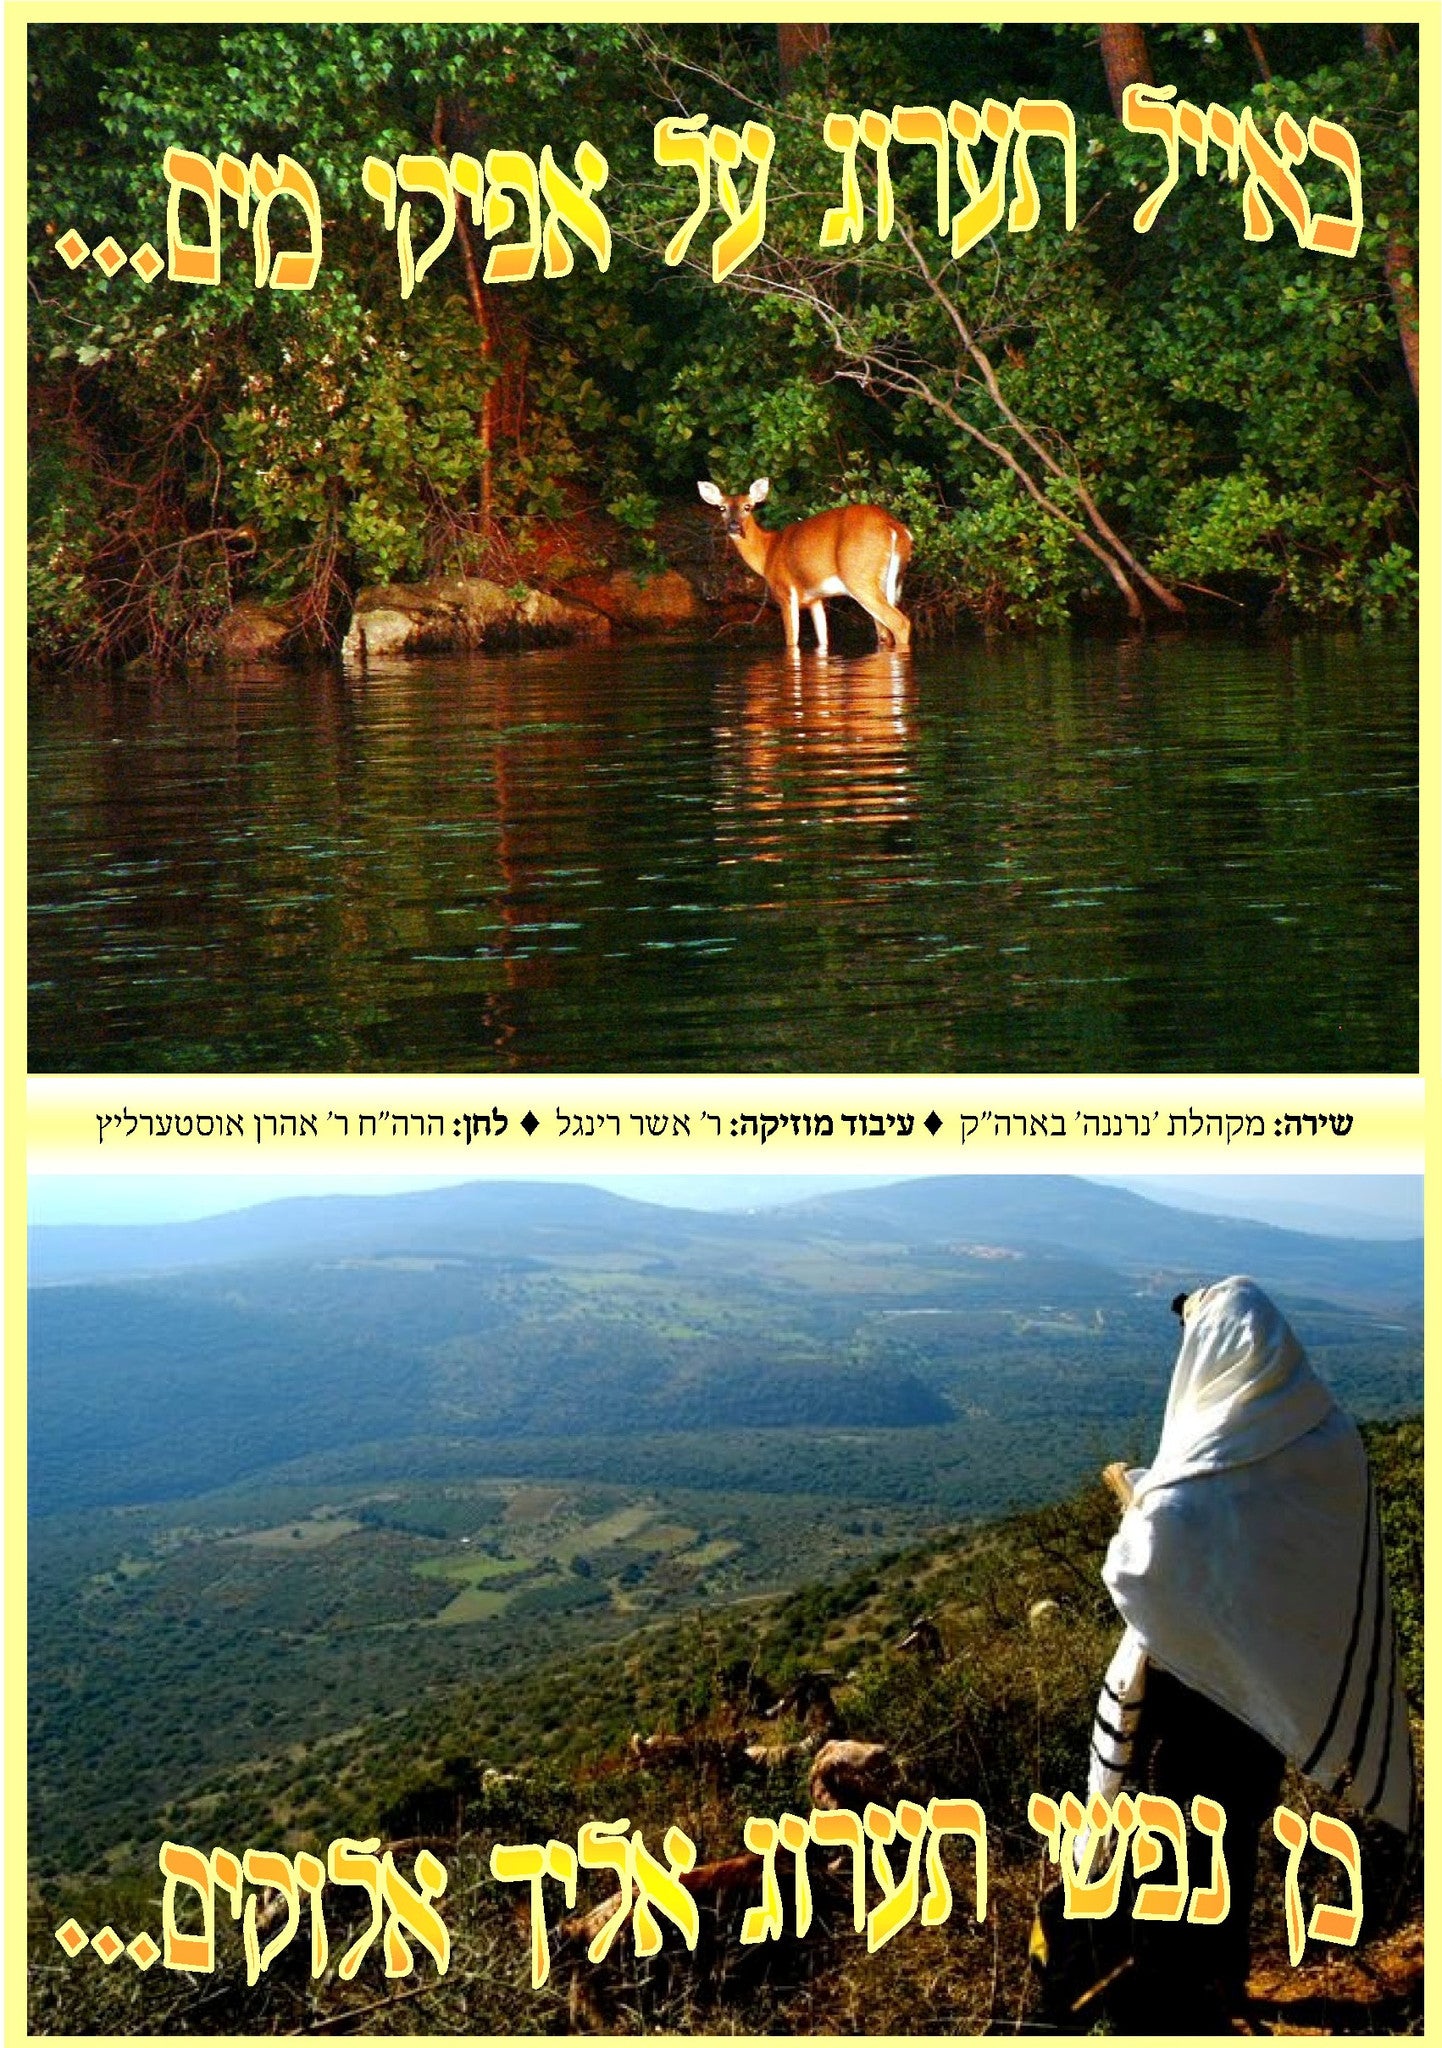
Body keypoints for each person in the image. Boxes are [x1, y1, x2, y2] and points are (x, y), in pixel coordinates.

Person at [1068, 1277, 1414, 2030]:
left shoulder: (1206, 1469)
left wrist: (1141, 1505)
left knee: (1172, 1853)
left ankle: (1171, 2009)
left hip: (1192, 1705)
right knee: (1232, 1841)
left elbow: (1141, 1569)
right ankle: (1217, 1985)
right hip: (1269, 1703)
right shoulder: (1331, 1441)